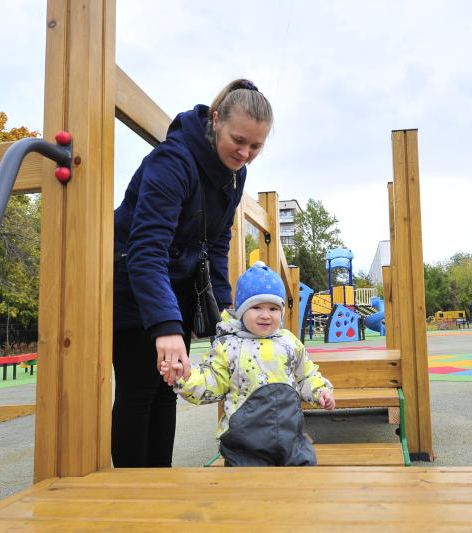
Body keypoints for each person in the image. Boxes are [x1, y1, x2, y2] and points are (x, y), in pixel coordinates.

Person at [111, 79, 273, 468]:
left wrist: (226, 313)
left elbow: (216, 245)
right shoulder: (173, 161)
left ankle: (159, 481)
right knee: (139, 389)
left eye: (256, 146)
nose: (245, 152)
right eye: (238, 140)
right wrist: (165, 326)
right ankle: (133, 495)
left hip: (178, 283)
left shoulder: (236, 173)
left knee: (169, 386)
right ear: (216, 120)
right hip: (135, 280)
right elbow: (146, 249)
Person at [162, 261, 336, 466]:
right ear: (241, 311)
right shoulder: (228, 345)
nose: (265, 315)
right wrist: (187, 377)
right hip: (244, 442)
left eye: (273, 308)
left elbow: (306, 375)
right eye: (256, 307)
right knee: (244, 488)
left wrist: (321, 392)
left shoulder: (289, 342)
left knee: (302, 474)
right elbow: (213, 381)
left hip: (289, 437)